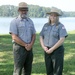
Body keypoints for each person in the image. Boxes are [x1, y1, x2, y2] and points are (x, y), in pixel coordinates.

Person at [9, 2, 36, 75]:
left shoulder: (30, 21)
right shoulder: (14, 22)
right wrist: (25, 45)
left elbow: (34, 34)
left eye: (25, 10)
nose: (24, 11)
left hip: (29, 49)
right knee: (17, 70)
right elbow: (14, 37)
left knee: (28, 70)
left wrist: (30, 45)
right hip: (19, 48)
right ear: (18, 10)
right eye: (22, 9)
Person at [40, 7, 68, 75]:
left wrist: (52, 49)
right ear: (49, 16)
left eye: (55, 15)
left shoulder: (61, 26)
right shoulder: (45, 25)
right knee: (49, 70)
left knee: (57, 71)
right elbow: (41, 36)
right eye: (51, 15)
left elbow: (62, 39)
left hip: (57, 51)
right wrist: (44, 47)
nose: (53, 17)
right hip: (47, 50)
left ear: (57, 17)